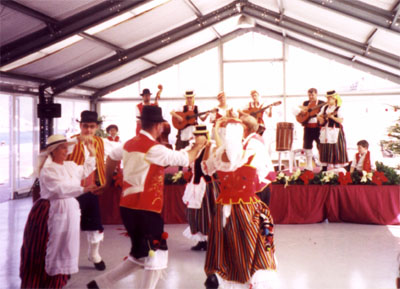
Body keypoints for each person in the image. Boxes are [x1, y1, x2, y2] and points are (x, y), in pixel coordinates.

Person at [87, 105, 207, 289]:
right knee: (157, 253)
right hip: (145, 209)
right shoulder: (154, 149)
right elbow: (186, 159)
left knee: (141, 253)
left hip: (128, 207)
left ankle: (100, 283)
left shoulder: (129, 144)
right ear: (158, 126)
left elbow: (111, 157)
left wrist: (106, 184)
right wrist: (199, 145)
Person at [202, 117, 277, 289]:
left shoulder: (217, 154)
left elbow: (206, 169)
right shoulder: (251, 152)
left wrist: (208, 146)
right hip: (246, 205)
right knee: (249, 242)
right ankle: (248, 275)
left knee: (222, 242)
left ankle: (219, 276)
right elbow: (267, 175)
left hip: (222, 206)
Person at [20, 134, 100, 288]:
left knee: (66, 246)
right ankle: (45, 282)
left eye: (66, 148)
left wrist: (92, 153)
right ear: (53, 151)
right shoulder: (48, 170)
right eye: (62, 148)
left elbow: (85, 170)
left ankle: (60, 279)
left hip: (69, 211)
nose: (66, 150)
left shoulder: (69, 166)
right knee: (51, 247)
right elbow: (59, 189)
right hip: (51, 210)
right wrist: (83, 188)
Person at [66, 110, 107, 271]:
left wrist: (101, 183)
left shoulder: (100, 142)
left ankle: (94, 255)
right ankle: (67, 263)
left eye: (91, 127)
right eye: (85, 126)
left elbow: (104, 162)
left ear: (96, 127)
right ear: (80, 126)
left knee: (95, 224)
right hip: (72, 192)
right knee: (69, 228)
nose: (88, 130)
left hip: (91, 190)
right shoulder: (69, 143)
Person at [182, 125, 217, 251]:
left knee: (206, 213)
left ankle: (210, 241)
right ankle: (201, 240)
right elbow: (185, 161)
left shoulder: (212, 148)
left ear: (205, 136)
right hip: (194, 184)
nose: (196, 138)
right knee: (194, 213)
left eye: (199, 135)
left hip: (206, 186)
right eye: (195, 135)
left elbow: (208, 169)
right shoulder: (192, 148)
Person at [240, 114, 275, 205]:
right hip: (259, 183)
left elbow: (249, 164)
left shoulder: (253, 142)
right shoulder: (253, 139)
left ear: (245, 128)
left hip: (258, 185)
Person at [317, 90, 348, 171]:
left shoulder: (339, 108)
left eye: (329, 98)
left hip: (335, 130)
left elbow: (341, 120)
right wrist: (320, 118)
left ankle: (337, 168)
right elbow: (321, 119)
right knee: (324, 147)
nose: (327, 100)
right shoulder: (324, 107)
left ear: (335, 99)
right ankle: (324, 167)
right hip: (326, 130)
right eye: (327, 98)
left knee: (335, 148)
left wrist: (332, 117)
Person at [299, 88, 325, 171]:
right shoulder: (305, 103)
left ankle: (322, 165)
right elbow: (303, 113)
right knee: (307, 146)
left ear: (316, 94)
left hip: (318, 128)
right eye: (309, 95)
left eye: (312, 95)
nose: (311, 97)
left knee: (320, 147)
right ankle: (309, 165)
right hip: (308, 127)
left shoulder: (321, 103)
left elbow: (323, 115)